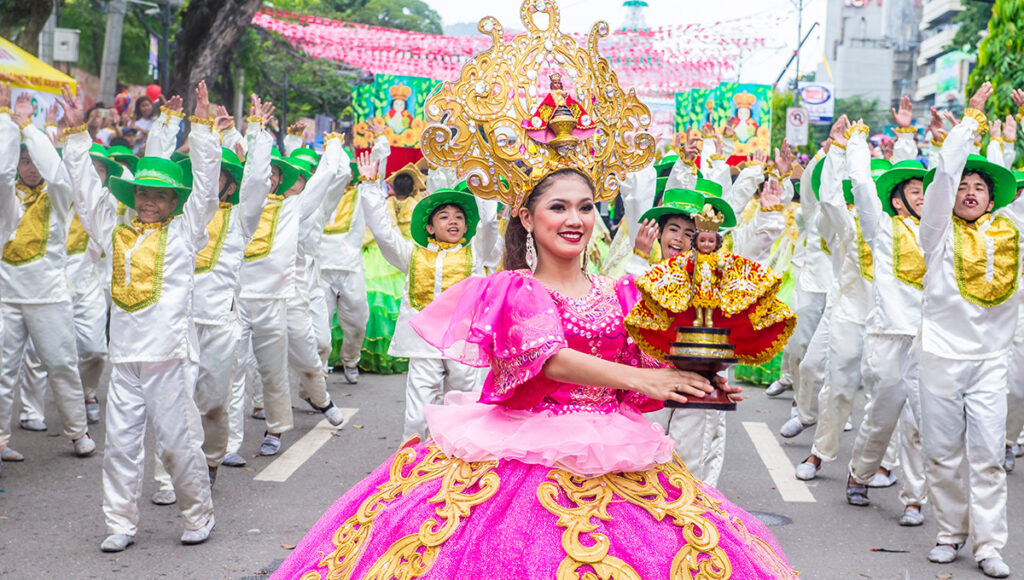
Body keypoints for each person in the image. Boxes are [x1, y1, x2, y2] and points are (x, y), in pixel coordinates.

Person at [58, 81, 218, 552]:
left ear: (173, 203)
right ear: (132, 195)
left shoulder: (187, 231)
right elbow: (87, 194)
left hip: (168, 354)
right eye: (143, 193)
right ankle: (121, 523)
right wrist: (75, 138)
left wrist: (203, 127)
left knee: (177, 442)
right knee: (122, 447)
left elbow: (206, 188)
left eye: (160, 195)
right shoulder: (113, 229)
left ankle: (198, 513)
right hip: (125, 355)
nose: (149, 201)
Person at [917, 82, 1018, 578]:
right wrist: (970, 122)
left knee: (986, 454)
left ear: (994, 196)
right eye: (964, 186)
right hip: (939, 357)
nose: (971, 192)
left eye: (981, 187)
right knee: (940, 452)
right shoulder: (934, 232)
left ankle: (988, 544)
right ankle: (949, 532)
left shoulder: (1012, 228)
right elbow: (943, 175)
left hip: (990, 361)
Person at [361, 168, 500, 441]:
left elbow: (490, 226)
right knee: (417, 414)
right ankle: (410, 467)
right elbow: (384, 234)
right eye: (444, 217)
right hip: (422, 346)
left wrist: (482, 186)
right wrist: (368, 187)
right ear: (429, 227)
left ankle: (460, 464)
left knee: (463, 405)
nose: (453, 221)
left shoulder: (475, 253)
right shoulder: (412, 255)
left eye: (459, 217)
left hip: (463, 345)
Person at [843, 97, 929, 527]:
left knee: (918, 422)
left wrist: (908, 133)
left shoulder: (940, 232)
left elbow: (924, 182)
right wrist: (857, 143)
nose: (923, 197)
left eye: (926, 193)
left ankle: (914, 499)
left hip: (927, 340)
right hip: (887, 338)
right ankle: (859, 474)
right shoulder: (881, 228)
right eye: (914, 193)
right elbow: (862, 185)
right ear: (897, 202)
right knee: (882, 416)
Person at [0, 90, 94, 467]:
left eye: (34, 160)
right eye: (24, 160)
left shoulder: (58, 199)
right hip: (6, 295)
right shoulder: (7, 200)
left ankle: (78, 431)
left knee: (62, 365)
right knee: (2, 370)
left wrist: (28, 127)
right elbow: (3, 173)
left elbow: (57, 173)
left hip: (50, 295)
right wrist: (8, 121)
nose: (30, 167)